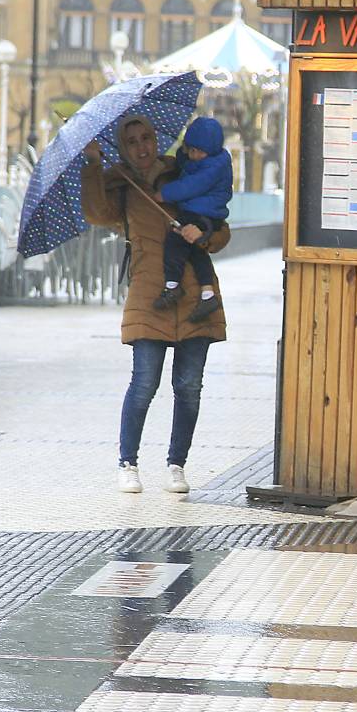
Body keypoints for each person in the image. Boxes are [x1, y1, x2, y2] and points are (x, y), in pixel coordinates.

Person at [80, 114, 230, 495]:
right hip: (149, 296)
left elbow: (220, 225)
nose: (142, 146)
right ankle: (127, 463)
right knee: (144, 383)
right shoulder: (121, 186)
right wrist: (95, 165)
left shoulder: (181, 172)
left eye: (146, 137)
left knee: (189, 386)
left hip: (197, 295)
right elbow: (97, 213)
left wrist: (205, 234)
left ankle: (176, 464)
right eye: (132, 142)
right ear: (123, 148)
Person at [151, 117, 233, 323]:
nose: (194, 155)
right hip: (202, 213)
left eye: (199, 152)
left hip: (203, 214)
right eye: (191, 150)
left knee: (175, 242)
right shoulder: (200, 160)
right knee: (196, 251)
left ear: (212, 151)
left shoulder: (213, 167)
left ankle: (172, 286)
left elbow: (191, 185)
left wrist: (165, 193)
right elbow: (186, 166)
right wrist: (182, 153)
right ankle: (208, 294)